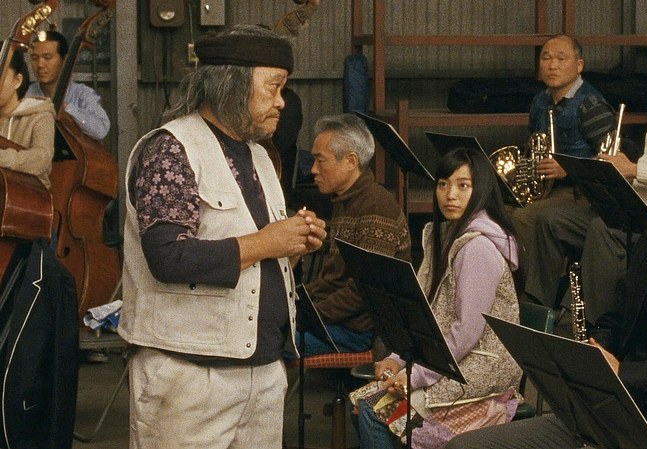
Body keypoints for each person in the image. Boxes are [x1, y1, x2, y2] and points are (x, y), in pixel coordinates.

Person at [447, 106, 647, 449]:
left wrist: (623, 373)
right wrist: (593, 353)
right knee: (464, 447)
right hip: (613, 412)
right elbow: (616, 319)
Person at [117, 25, 327, 448]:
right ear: (231, 84)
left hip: (262, 371)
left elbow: (253, 251)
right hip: (190, 380)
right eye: (273, 87)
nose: (281, 102)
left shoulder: (260, 156)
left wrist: (293, 245)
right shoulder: (172, 149)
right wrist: (269, 242)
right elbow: (168, 257)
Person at [524, 22, 647, 322]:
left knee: (603, 229)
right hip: (641, 201)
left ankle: (591, 323)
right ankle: (540, 310)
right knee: (548, 220)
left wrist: (632, 169)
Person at [356, 147, 523, 449]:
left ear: (481, 191)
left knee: (376, 412)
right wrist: (397, 358)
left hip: (480, 372)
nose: (450, 195)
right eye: (443, 184)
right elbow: (428, 313)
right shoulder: (446, 234)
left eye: (463, 185)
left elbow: (465, 333)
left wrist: (414, 375)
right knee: (369, 404)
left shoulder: (478, 248)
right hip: (452, 362)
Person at [299, 113, 411, 356]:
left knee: (268, 341)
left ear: (351, 161)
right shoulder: (346, 200)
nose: (313, 170)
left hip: (359, 332)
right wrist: (298, 303)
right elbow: (332, 279)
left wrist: (308, 314)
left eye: (320, 160)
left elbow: (364, 292)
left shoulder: (376, 205)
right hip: (337, 321)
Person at [510, 34, 616, 253]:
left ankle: (536, 275)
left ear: (579, 65)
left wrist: (568, 169)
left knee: (524, 217)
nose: (552, 65)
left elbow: (610, 163)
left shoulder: (591, 105)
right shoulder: (540, 100)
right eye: (546, 58)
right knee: (498, 209)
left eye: (561, 58)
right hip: (548, 189)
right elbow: (531, 146)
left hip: (579, 194)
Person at [27, 30, 110, 141]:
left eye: (47, 57)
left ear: (64, 60)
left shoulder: (82, 94)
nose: (40, 64)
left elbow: (101, 129)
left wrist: (68, 109)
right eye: (34, 58)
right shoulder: (25, 95)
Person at [0, 46, 54, 189]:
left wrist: (3, 158)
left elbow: (42, 158)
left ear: (17, 81)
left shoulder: (40, 114)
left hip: (31, 197)